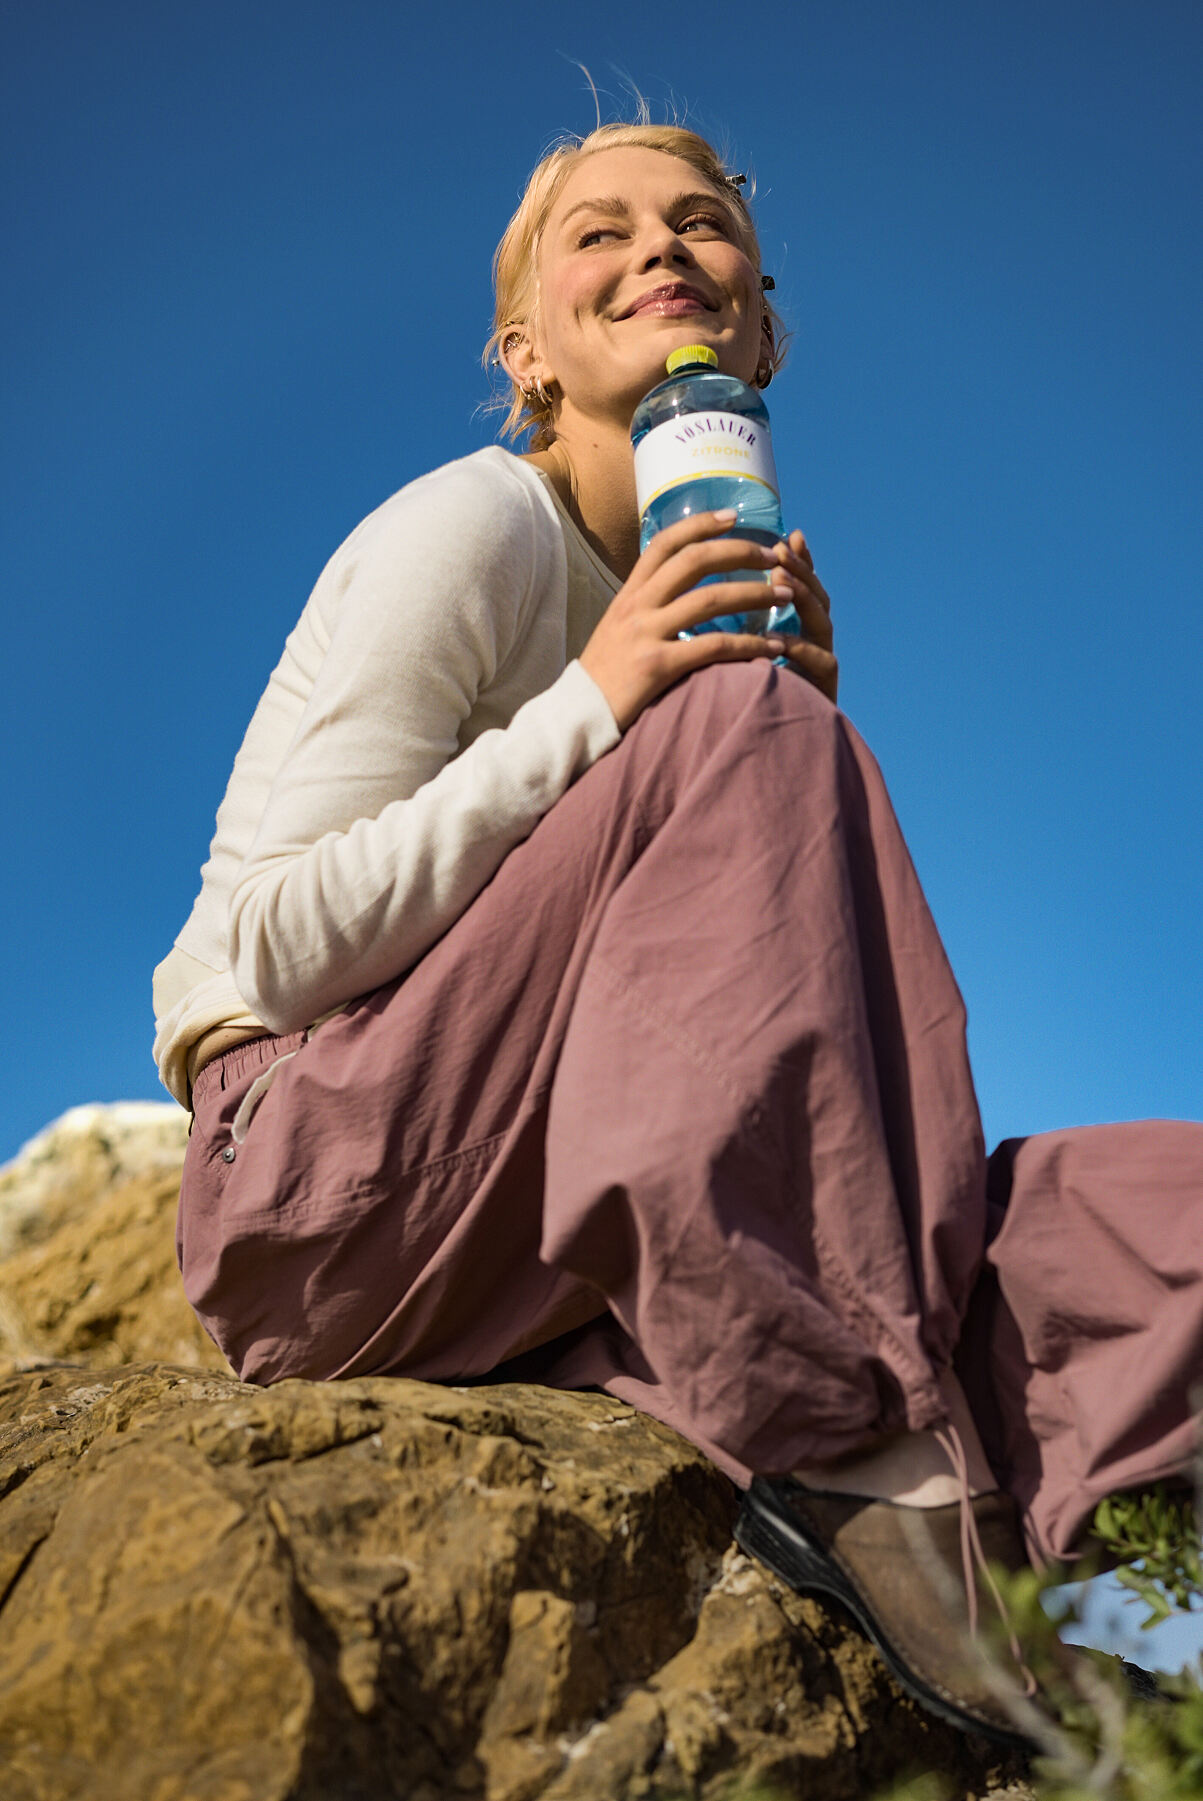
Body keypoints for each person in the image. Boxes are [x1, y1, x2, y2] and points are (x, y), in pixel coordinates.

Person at [153, 122, 1202, 1748]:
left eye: (700, 225)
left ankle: (1066, 1531)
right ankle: (855, 1456)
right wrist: (617, 713)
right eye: (600, 233)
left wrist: (728, 787)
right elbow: (277, 945)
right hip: (317, 1194)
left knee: (1151, 1212)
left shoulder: (698, 602)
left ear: (759, 325)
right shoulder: (476, 527)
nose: (656, 248)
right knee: (752, 731)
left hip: (532, 1222)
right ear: (529, 351)